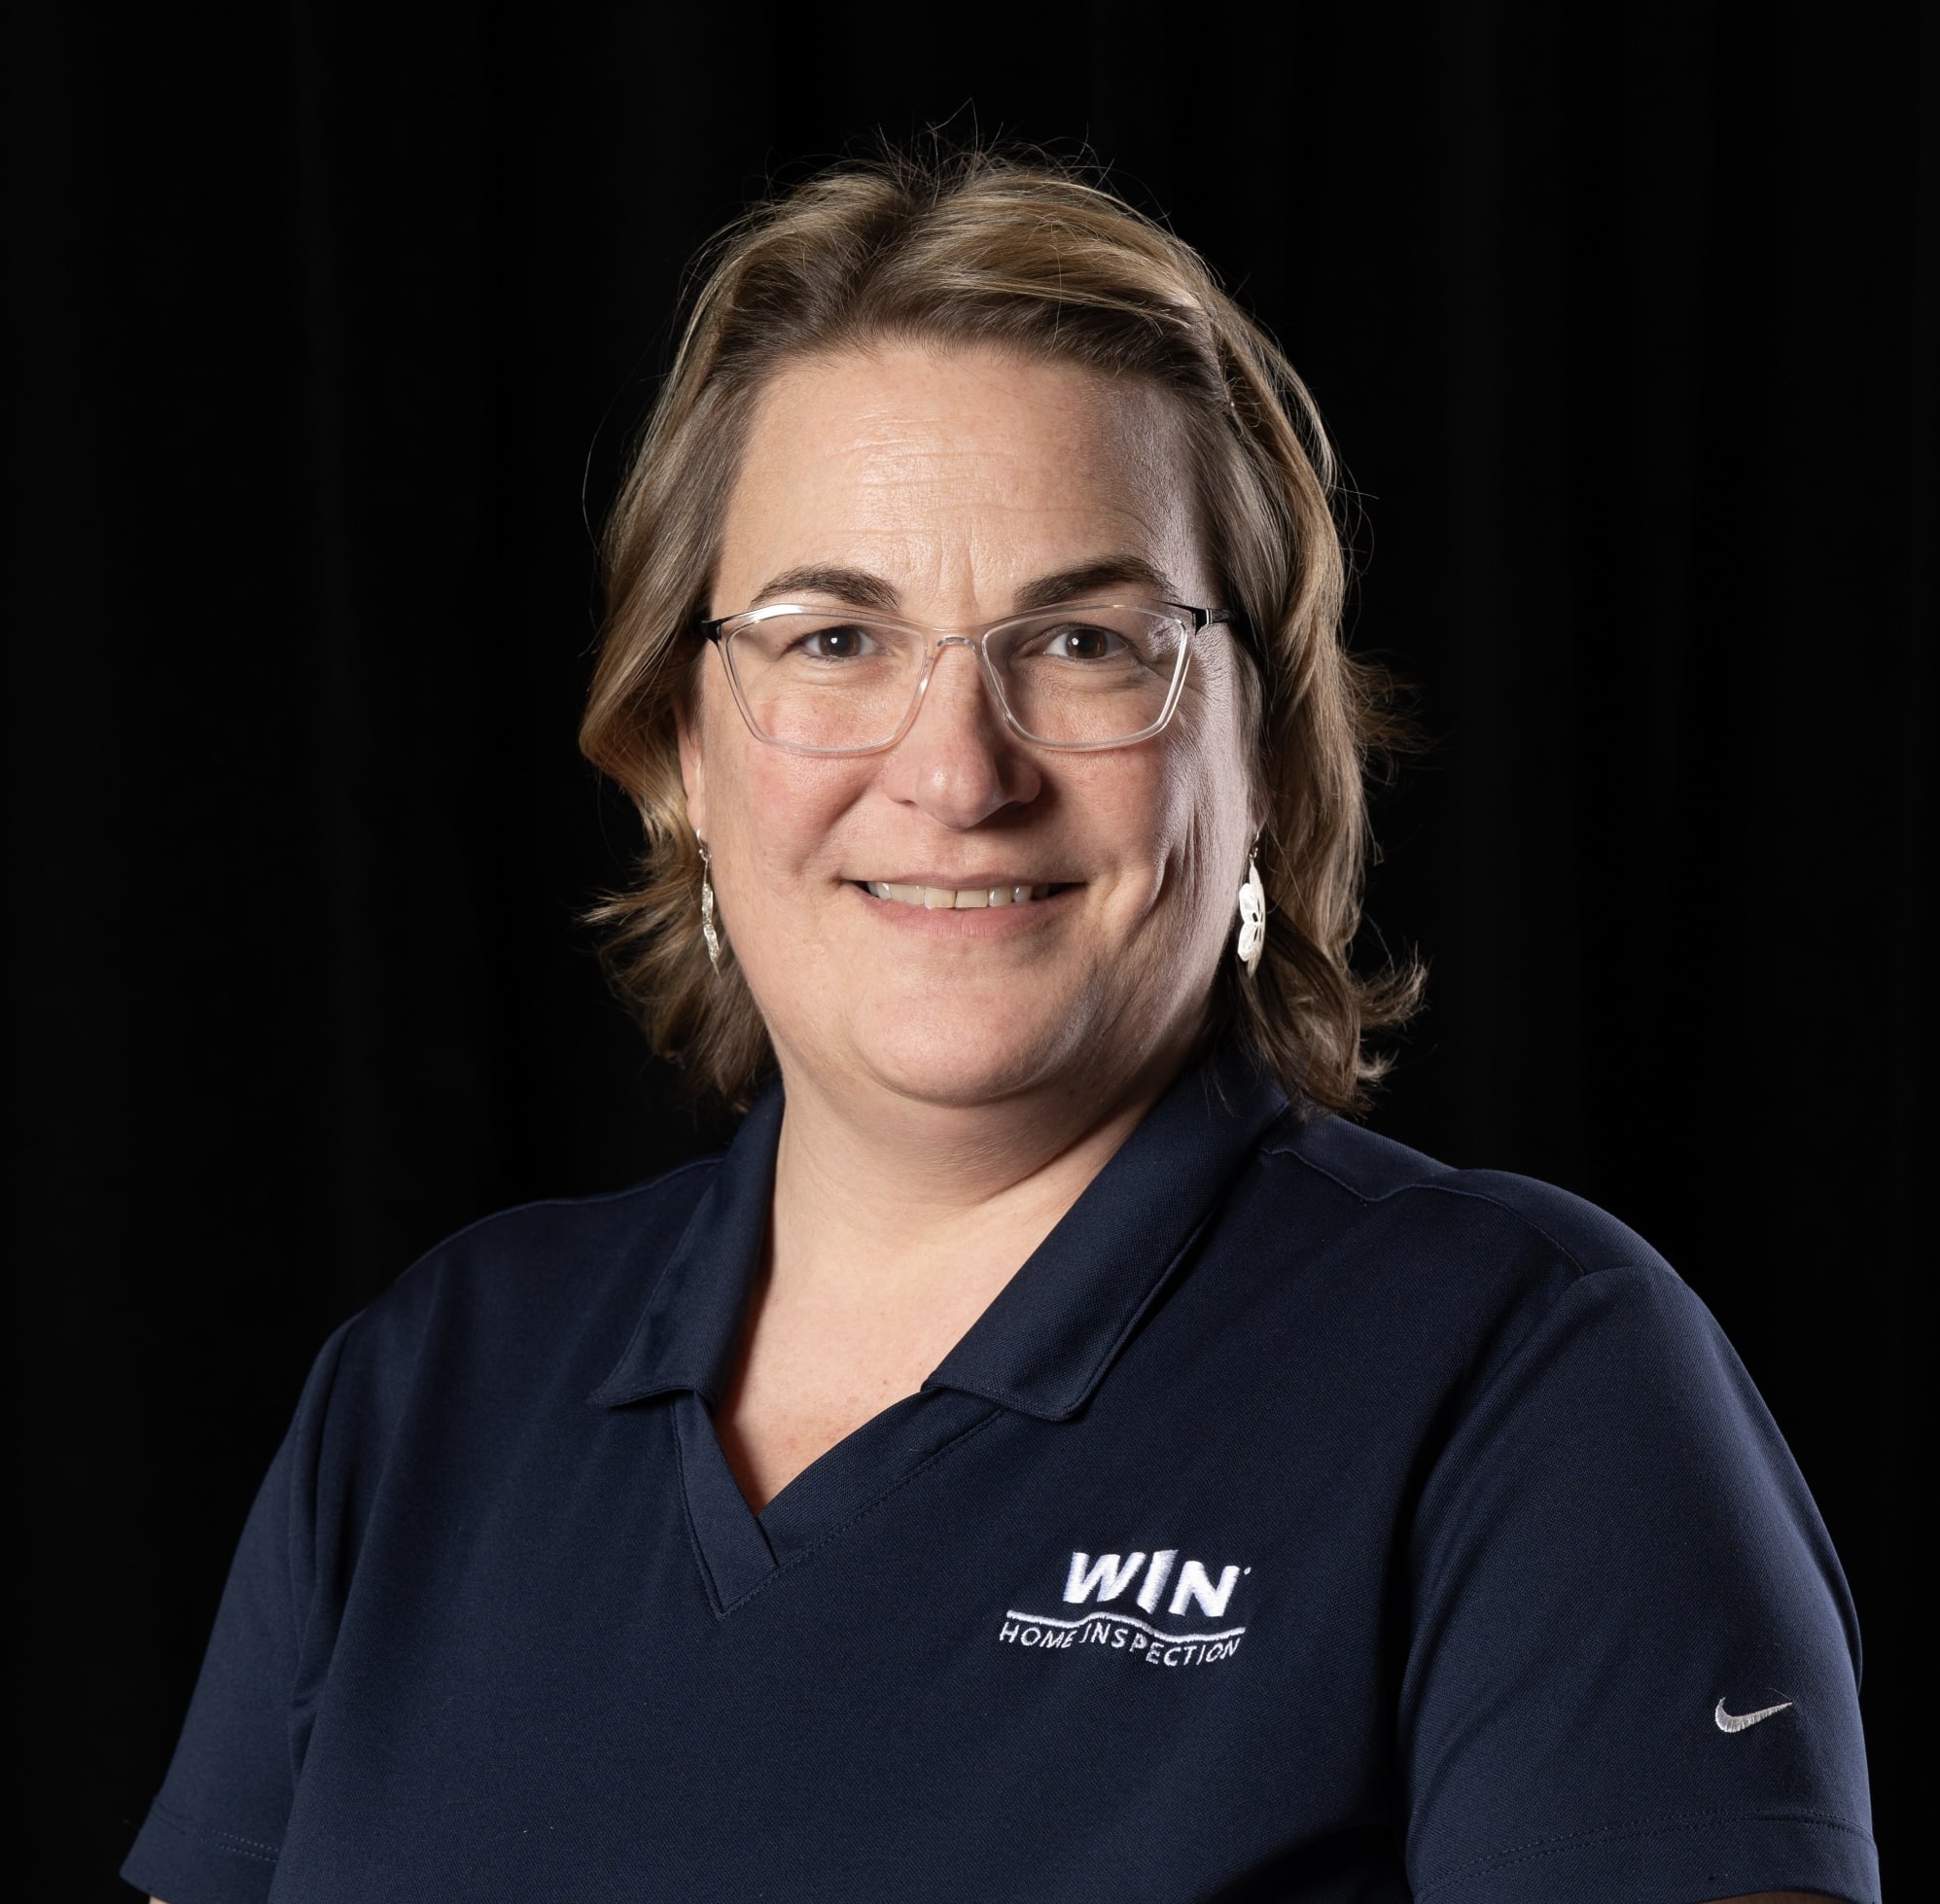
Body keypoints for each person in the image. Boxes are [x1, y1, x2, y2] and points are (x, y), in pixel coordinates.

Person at [124, 149, 1878, 1904]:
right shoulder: (431, 1387)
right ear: (681, 748)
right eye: (834, 639)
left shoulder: (1535, 1381)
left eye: (1087, 641)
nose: (959, 774)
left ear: (1265, 753)